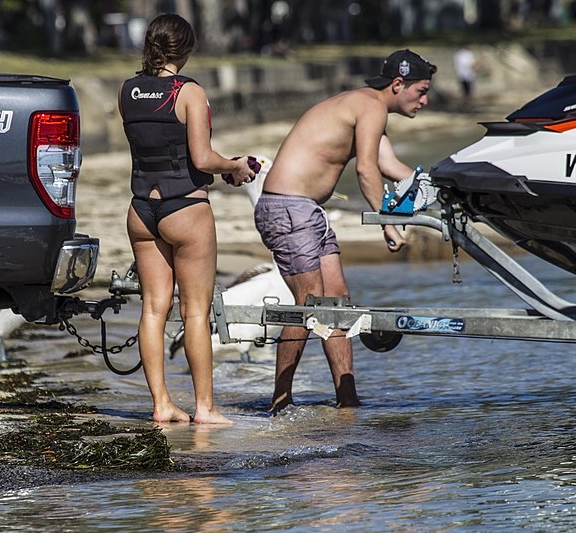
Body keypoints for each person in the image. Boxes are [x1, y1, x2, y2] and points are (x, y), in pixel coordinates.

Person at [254, 49, 436, 412]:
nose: (426, 100)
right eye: (421, 90)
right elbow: (366, 170)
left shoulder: (369, 109)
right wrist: (388, 224)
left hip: (308, 211)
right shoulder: (369, 106)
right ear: (398, 84)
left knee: (337, 300)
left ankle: (347, 400)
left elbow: (391, 166)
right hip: (288, 208)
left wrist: (444, 188)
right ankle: (279, 402)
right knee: (308, 306)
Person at [118, 13, 255, 424]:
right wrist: (234, 165)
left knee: (153, 310)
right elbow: (201, 158)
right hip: (185, 209)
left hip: (141, 209)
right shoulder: (189, 92)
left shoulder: (127, 90)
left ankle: (161, 404)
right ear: (187, 49)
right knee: (195, 312)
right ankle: (204, 408)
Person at [453, 44, 476, 111]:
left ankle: (466, 105)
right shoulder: (464, 55)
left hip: (465, 75)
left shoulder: (459, 55)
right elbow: (470, 65)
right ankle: (466, 106)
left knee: (467, 92)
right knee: (467, 92)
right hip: (465, 76)